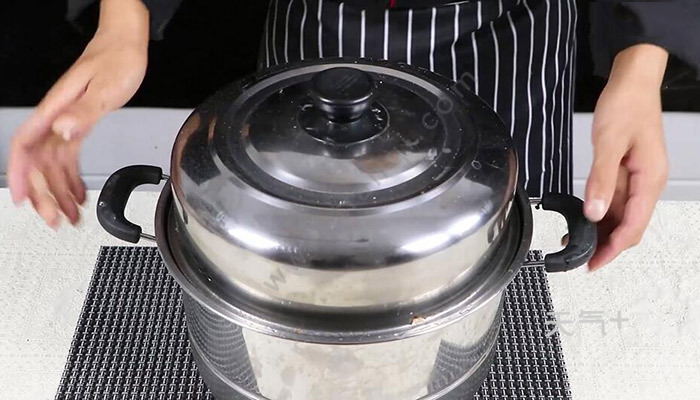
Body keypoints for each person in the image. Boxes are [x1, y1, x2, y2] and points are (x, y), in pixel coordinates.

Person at [7, 0, 700, 271]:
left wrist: (640, 66)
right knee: (298, 254)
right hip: (321, 25)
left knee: (487, 255)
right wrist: (123, 21)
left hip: (508, 35)